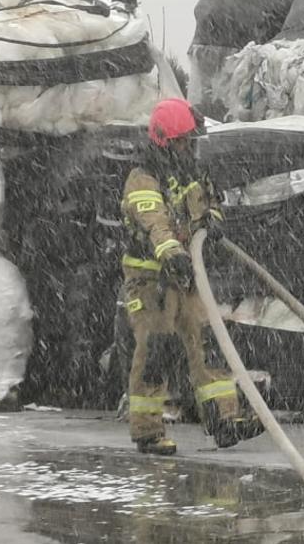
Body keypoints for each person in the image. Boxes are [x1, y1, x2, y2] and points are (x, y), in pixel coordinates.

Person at [118, 97, 261, 456]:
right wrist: (172, 253)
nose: (190, 147)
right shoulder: (143, 179)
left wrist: (212, 220)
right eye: (184, 141)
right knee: (156, 353)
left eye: (192, 141)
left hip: (184, 277)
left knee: (207, 344)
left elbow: (209, 204)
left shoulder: (190, 174)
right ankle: (148, 433)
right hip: (150, 282)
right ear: (165, 141)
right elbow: (155, 224)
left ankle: (224, 421)